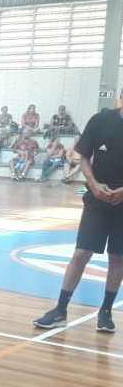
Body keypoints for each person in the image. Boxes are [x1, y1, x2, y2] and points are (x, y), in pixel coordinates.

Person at [33, 96, 123, 333]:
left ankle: (105, 312)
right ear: (120, 99)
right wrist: (92, 184)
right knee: (81, 252)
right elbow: (82, 156)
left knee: (118, 258)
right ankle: (60, 310)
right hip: (96, 199)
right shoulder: (101, 121)